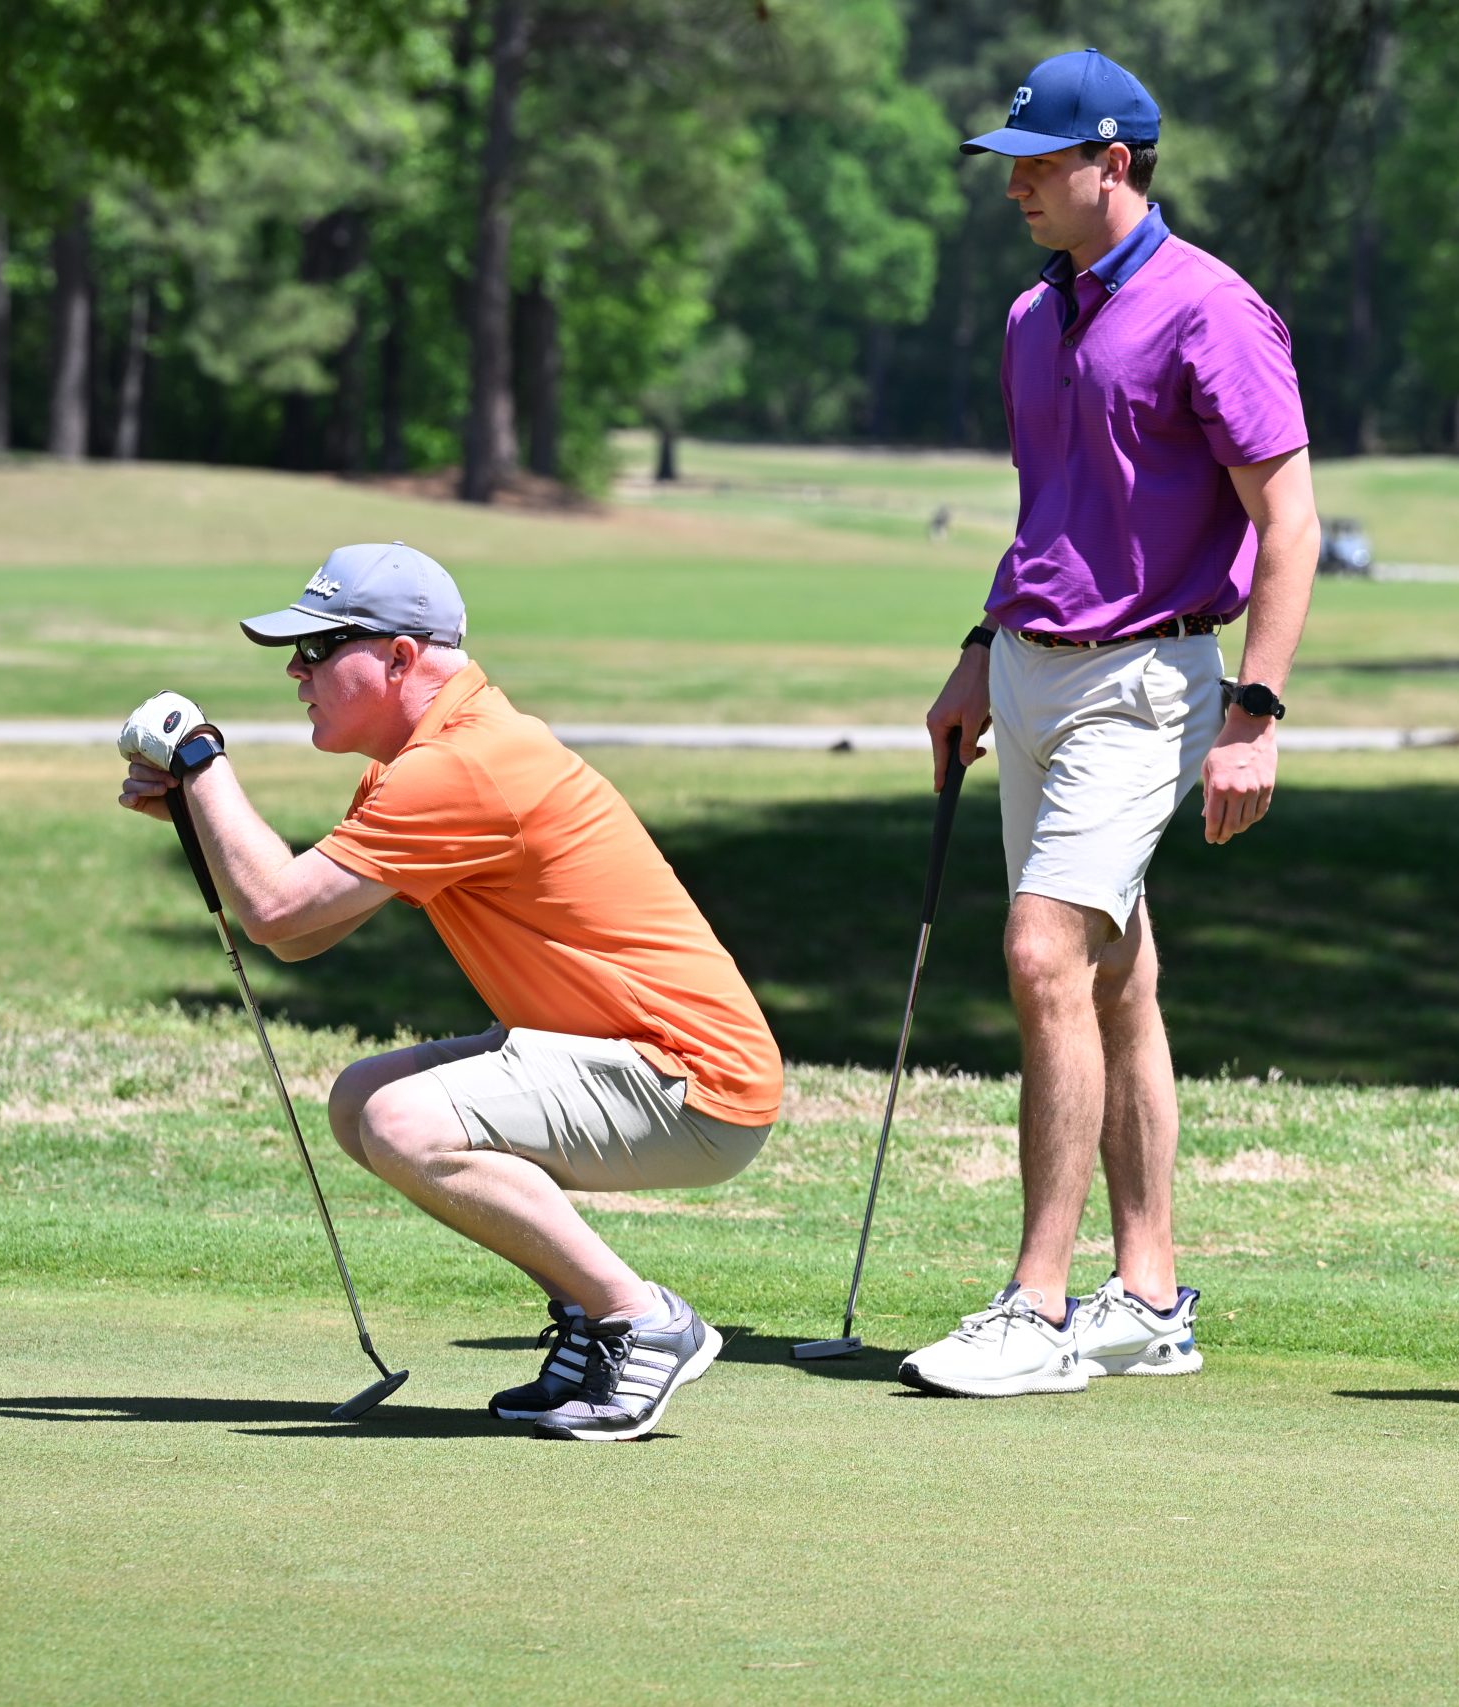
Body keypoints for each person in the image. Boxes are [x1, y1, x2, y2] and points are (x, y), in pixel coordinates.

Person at [115, 542, 783, 1441]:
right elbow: (304, 936)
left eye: (319, 649)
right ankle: (595, 1318)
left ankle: (640, 1318)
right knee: (361, 1100)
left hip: (693, 1085)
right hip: (650, 1066)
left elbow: (274, 910)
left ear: (398, 656)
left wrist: (202, 763)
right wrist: (205, 811)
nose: (296, 669)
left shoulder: (461, 767)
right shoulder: (435, 758)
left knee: (403, 1120)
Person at [903, 49, 1320, 1398]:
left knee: (1041, 950)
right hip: (1026, 672)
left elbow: (1289, 522)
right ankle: (1146, 1296)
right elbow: (1051, 515)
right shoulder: (1035, 315)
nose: (1015, 182)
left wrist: (1255, 710)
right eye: (1011, 160)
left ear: (1116, 165)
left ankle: (1035, 1302)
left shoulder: (1215, 310)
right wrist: (979, 648)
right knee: (1116, 973)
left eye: (1039, 161)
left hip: (1146, 682)